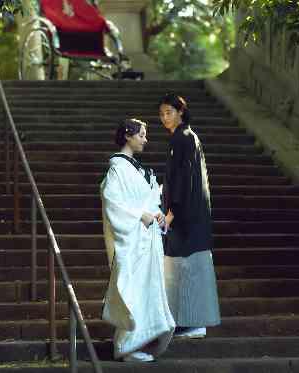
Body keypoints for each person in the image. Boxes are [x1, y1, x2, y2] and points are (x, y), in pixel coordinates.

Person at [100, 118, 175, 362]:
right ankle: (125, 346)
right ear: (128, 136)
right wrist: (139, 214)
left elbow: (148, 200)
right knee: (133, 290)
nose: (145, 139)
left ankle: (137, 342)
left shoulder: (137, 168)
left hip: (146, 239)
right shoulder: (118, 168)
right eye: (141, 134)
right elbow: (112, 200)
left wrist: (156, 213)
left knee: (145, 289)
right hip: (132, 239)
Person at [158, 93, 221, 339]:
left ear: (181, 112)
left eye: (169, 112)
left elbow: (182, 180)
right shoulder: (187, 137)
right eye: (162, 114)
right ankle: (192, 321)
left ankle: (192, 322)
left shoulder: (182, 139)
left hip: (185, 216)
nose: (165, 118)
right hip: (193, 214)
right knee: (190, 267)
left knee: (185, 267)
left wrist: (171, 213)